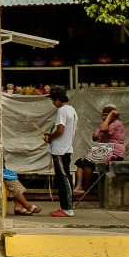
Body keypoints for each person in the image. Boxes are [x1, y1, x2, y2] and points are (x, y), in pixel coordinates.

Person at [42, 86, 77, 217]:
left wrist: (50, 138)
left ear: (57, 99)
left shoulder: (62, 111)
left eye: (53, 100)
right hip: (66, 147)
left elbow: (60, 130)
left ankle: (68, 209)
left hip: (60, 150)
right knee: (64, 178)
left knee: (63, 179)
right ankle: (65, 207)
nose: (52, 103)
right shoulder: (71, 110)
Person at [77, 104, 127, 194]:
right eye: (103, 115)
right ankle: (82, 186)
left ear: (113, 116)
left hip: (115, 152)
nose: (104, 117)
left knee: (88, 162)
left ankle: (88, 188)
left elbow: (104, 130)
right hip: (105, 150)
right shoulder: (104, 124)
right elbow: (95, 137)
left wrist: (109, 117)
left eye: (106, 115)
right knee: (82, 163)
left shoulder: (117, 124)